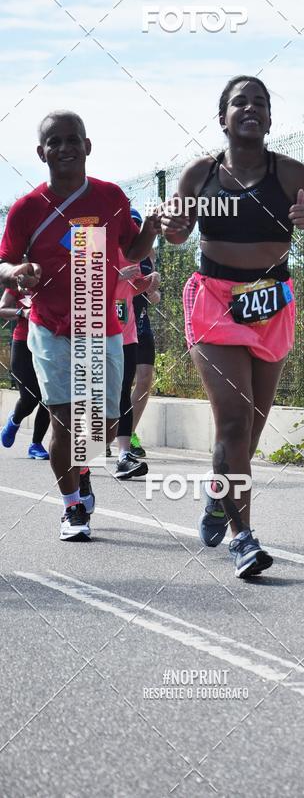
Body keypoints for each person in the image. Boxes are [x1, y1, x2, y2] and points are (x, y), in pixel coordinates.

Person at [162, 76, 304, 578]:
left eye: (260, 102)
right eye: (240, 102)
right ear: (224, 118)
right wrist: (171, 224)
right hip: (215, 301)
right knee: (233, 423)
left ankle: (219, 496)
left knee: (250, 431)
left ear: (268, 119)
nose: (251, 108)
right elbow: (178, 236)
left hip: (271, 304)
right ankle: (245, 539)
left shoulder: (291, 174)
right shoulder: (200, 173)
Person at [0, 110, 160, 540]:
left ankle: (82, 467)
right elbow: (3, 263)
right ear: (41, 152)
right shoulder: (26, 209)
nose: (65, 148)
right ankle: (72, 507)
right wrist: (17, 272)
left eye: (73, 140)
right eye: (55, 141)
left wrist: (155, 231)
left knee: (102, 428)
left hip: (101, 325)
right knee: (64, 419)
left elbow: (133, 247)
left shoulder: (110, 198)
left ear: (87, 146)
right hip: (50, 327)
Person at [113, 245, 159, 478]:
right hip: (96, 325)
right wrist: (117, 276)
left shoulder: (143, 252)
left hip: (131, 328)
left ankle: (124, 452)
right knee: (98, 391)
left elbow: (139, 289)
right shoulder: (93, 238)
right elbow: (80, 281)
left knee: (127, 388)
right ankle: (83, 456)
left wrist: (151, 284)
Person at [0, 286, 50, 458]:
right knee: (30, 397)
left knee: (49, 397)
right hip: (23, 343)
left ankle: (36, 445)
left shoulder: (55, 281)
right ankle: (14, 421)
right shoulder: (17, 284)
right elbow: (2, 308)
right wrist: (22, 312)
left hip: (50, 344)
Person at [129, 208, 160, 458]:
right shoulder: (113, 252)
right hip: (117, 323)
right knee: (117, 382)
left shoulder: (149, 253)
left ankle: (129, 433)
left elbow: (154, 296)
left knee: (145, 379)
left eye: (137, 225)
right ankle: (106, 433)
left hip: (141, 322)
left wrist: (153, 292)